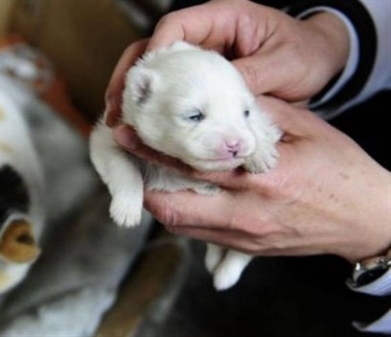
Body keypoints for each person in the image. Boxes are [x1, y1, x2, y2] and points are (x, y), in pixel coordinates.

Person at [103, 0, 390, 333]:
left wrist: (374, 225)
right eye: (194, 116)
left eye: (245, 114)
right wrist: (334, 37)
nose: (235, 140)